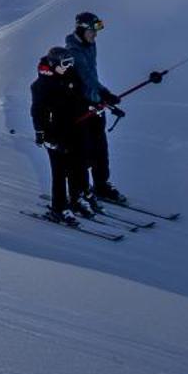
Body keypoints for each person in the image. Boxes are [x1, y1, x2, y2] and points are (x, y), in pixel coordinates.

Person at [63, 11, 126, 206]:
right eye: (92, 30)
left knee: (101, 148)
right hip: (81, 107)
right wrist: (105, 93)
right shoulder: (73, 51)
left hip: (94, 102)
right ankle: (82, 189)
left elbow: (93, 75)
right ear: (81, 29)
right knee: (84, 150)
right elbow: (85, 77)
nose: (95, 34)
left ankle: (101, 185)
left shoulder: (90, 45)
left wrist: (101, 98)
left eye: (97, 30)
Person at [30, 47, 93, 223]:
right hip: (54, 132)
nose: (69, 66)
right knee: (59, 170)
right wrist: (40, 131)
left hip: (74, 129)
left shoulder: (71, 76)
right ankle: (59, 207)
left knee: (78, 165)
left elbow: (80, 99)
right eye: (65, 63)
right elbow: (37, 110)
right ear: (54, 64)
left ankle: (76, 199)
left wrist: (90, 107)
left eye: (71, 62)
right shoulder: (42, 85)